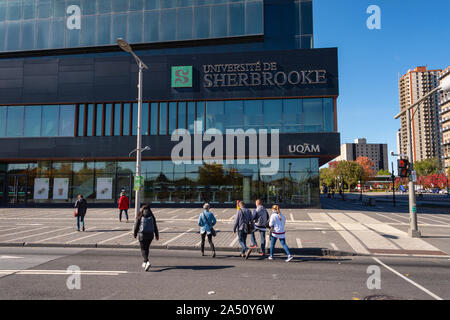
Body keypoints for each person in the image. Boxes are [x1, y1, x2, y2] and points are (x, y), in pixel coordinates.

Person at [133, 204, 159, 271]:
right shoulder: (152, 216)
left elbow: (136, 225)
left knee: (143, 249)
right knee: (146, 248)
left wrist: (135, 234)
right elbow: (155, 226)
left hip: (142, 235)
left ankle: (147, 261)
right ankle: (145, 262)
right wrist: (157, 235)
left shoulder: (140, 215)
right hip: (150, 235)